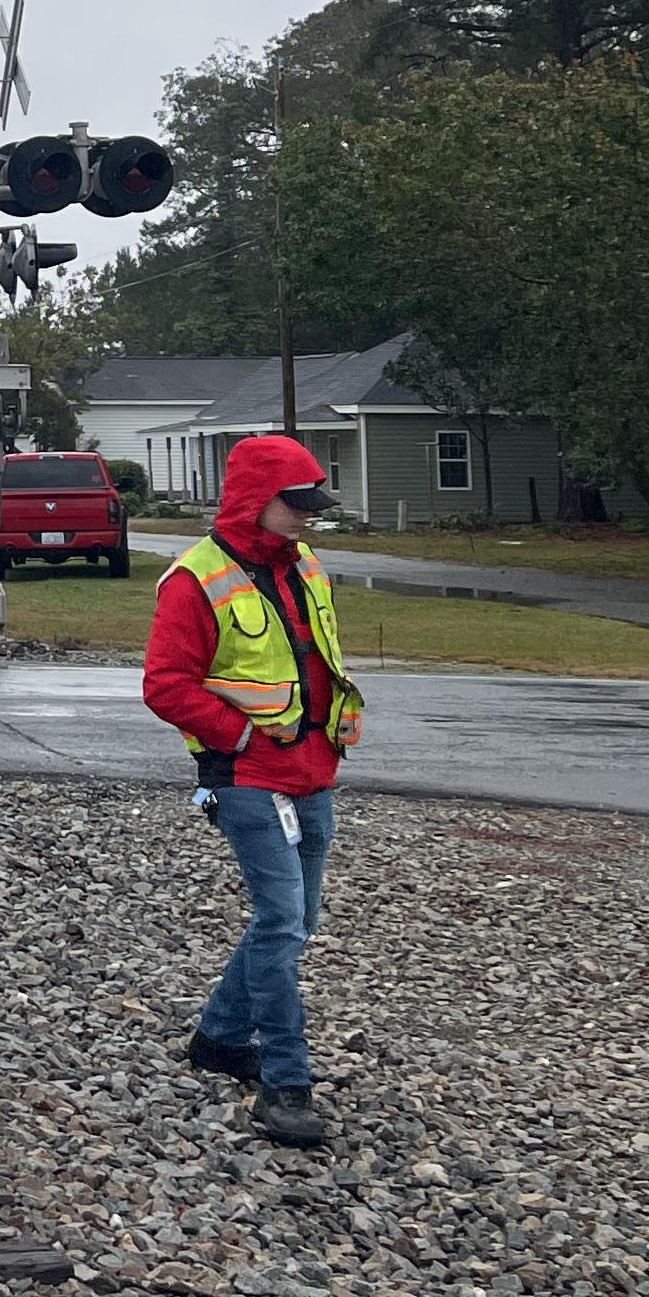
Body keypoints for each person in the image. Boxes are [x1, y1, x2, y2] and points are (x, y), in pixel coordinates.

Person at [141, 430, 365, 1149]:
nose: (306, 515)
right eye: (295, 502)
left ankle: (220, 1038)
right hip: (244, 778)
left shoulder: (306, 566)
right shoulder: (195, 579)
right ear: (253, 499)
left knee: (297, 921)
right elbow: (165, 685)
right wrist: (239, 738)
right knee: (282, 922)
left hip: (312, 772)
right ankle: (285, 1083)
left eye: (311, 503)